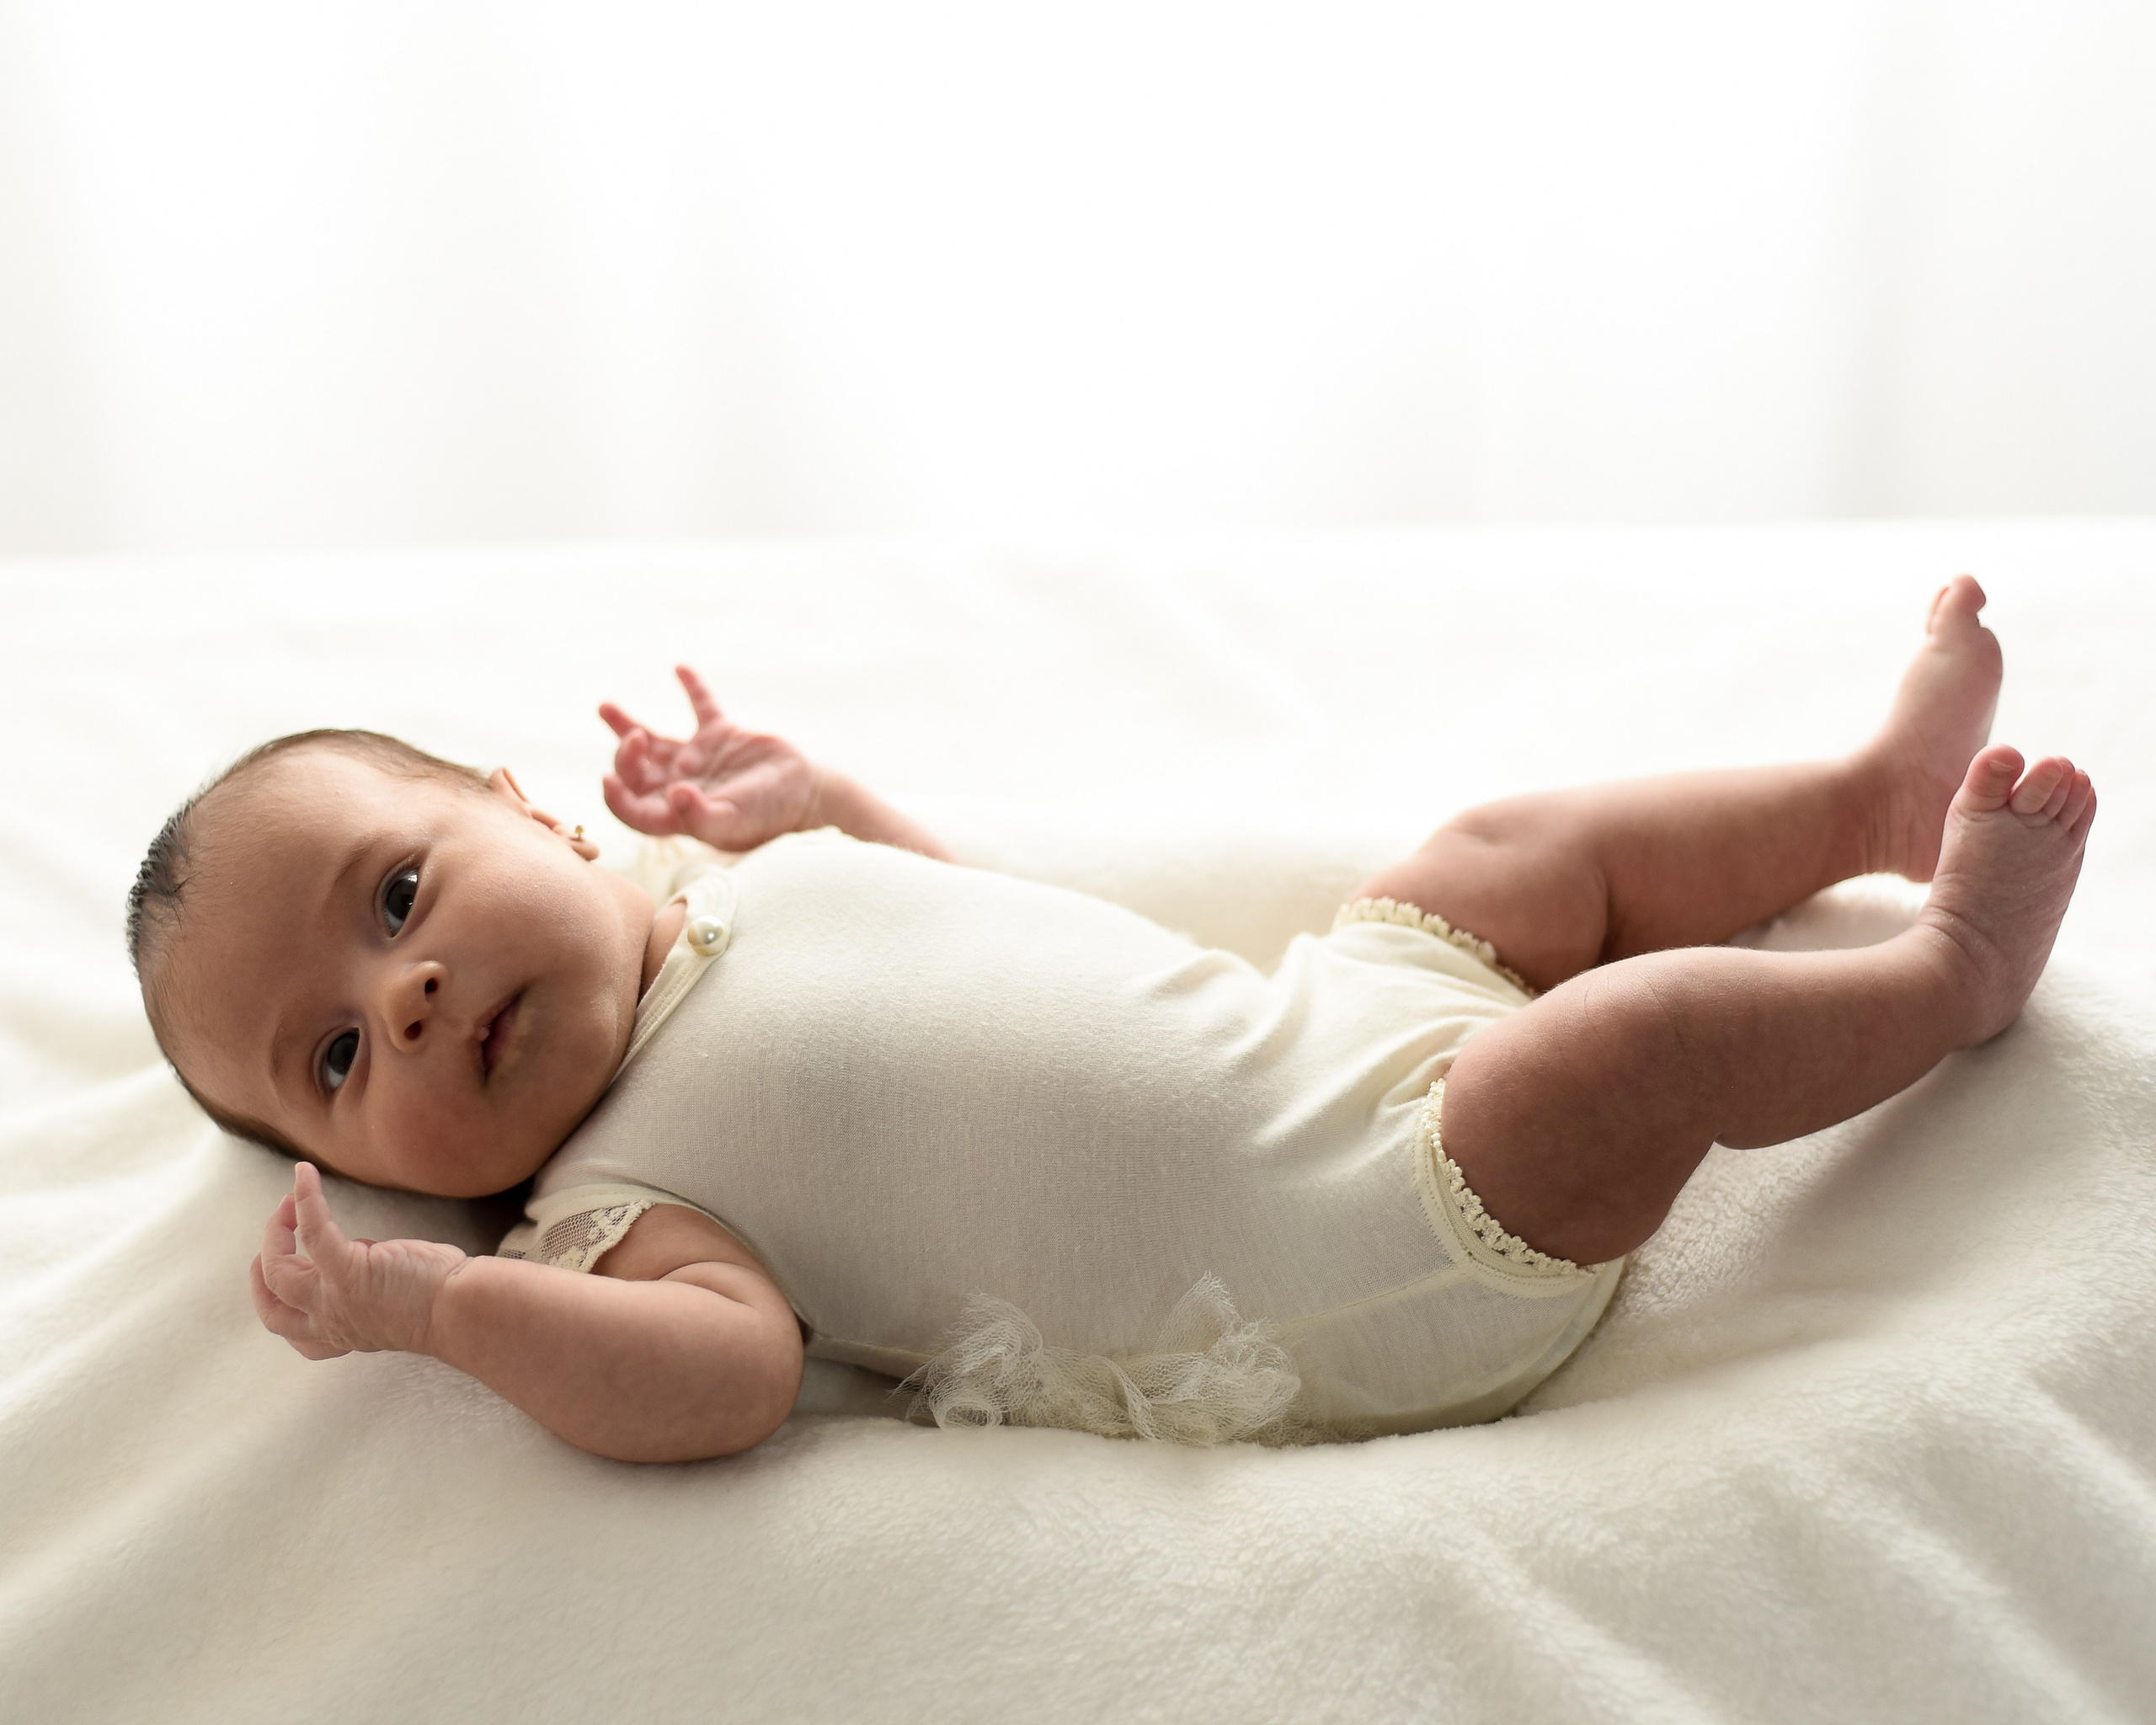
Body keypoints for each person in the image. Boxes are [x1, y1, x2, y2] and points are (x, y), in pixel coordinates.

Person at [125, 578, 2093, 1460]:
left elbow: (979, 928)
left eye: (397, 897)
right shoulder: (609, 1206)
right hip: (1364, 1252)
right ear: (351, 1165)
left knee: (1500, 851)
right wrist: (439, 1308)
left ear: (531, 811)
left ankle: (1858, 802)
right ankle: (1940, 976)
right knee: (1636, 1040)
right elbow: (717, 1382)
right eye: (334, 1058)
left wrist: (821, 811)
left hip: (1320, 1029)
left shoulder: (709, 906)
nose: (410, 993)